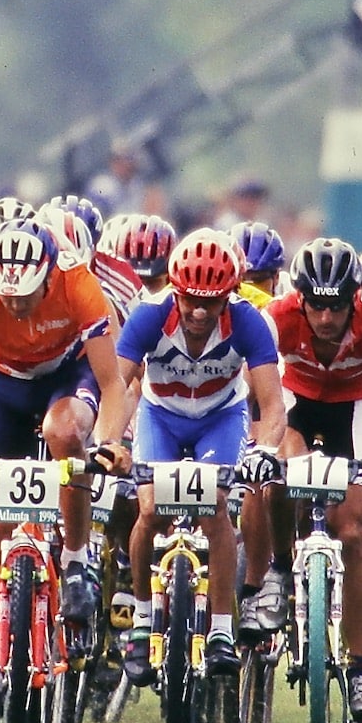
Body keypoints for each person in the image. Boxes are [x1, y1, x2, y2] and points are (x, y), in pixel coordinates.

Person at [0, 218, 132, 723]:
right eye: (5, 295)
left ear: (48, 275)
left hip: (69, 377)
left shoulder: (80, 286)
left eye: (25, 295)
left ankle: (77, 557)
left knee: (63, 433)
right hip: (6, 387)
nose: (14, 305)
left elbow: (112, 384)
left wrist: (108, 442)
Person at [257, 236, 362, 721]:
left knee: (350, 530)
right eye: (316, 307)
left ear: (355, 299)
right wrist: (260, 445)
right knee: (280, 475)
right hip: (296, 408)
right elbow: (259, 398)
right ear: (299, 298)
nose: (325, 319)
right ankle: (280, 567)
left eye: (337, 307)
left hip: (355, 413)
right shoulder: (276, 318)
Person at [112, 228, 285, 678]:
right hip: (160, 415)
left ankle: (222, 628)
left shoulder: (250, 321)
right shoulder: (149, 315)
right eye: (189, 299)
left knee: (216, 509)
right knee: (148, 510)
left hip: (220, 417)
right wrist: (109, 441)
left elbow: (271, 405)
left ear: (231, 294)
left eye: (211, 301)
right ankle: (144, 617)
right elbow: (117, 385)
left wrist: (265, 448)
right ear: (175, 290)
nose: (199, 311)